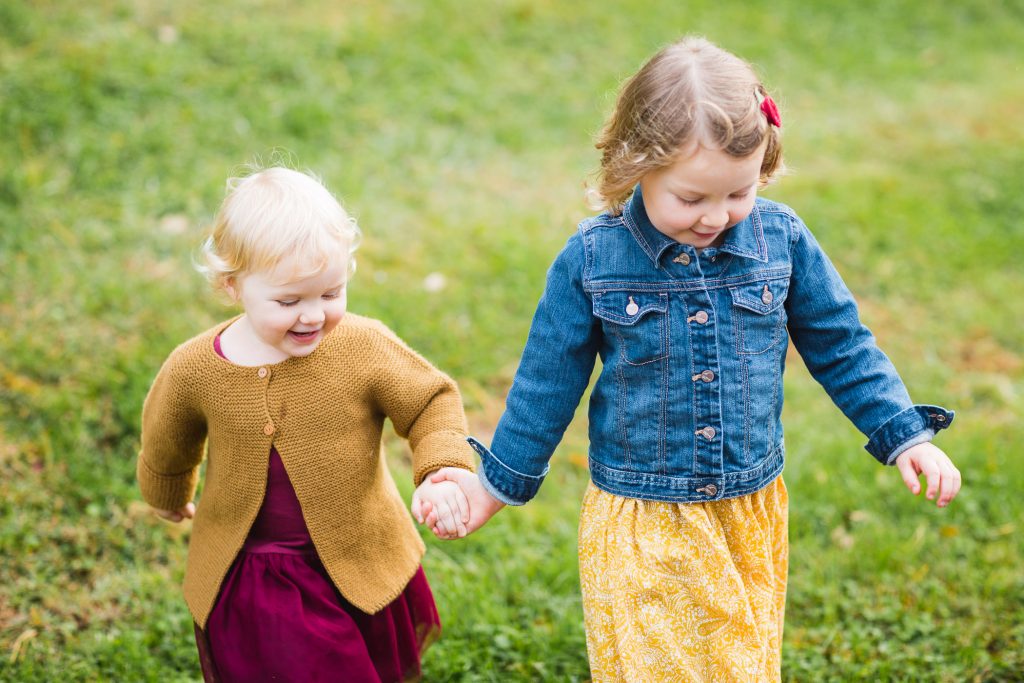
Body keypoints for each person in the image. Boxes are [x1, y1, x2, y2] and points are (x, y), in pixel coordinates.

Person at [421, 36, 961, 681]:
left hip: (747, 511)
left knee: (739, 664)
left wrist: (904, 435)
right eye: (691, 199)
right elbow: (546, 383)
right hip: (645, 517)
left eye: (738, 194)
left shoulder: (780, 240)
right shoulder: (594, 260)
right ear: (633, 168)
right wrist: (496, 488)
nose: (716, 218)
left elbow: (842, 344)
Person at [137, 166, 474, 682]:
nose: (313, 315)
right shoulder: (195, 368)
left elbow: (429, 400)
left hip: (358, 551)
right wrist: (166, 492)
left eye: (331, 293)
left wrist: (441, 468)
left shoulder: (362, 347)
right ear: (233, 286)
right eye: (288, 301)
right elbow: (168, 440)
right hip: (256, 571)